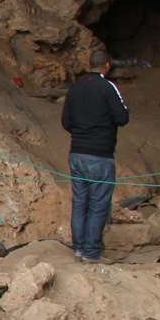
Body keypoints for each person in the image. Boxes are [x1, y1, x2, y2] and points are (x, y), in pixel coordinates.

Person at [60, 50, 130, 264]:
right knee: (99, 204)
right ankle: (92, 253)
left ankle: (79, 249)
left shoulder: (74, 89)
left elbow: (66, 122)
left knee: (80, 203)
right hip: (100, 155)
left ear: (88, 64)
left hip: (77, 153)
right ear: (107, 65)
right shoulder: (108, 88)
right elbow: (122, 117)